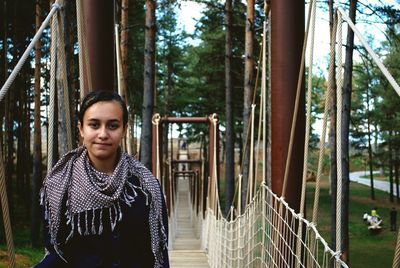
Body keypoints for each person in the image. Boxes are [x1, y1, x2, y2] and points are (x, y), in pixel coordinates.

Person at [35, 90, 169, 267]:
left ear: (124, 130)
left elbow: (158, 253)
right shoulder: (59, 184)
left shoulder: (146, 186)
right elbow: (57, 253)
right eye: (94, 125)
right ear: (81, 129)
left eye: (113, 126)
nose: (103, 134)